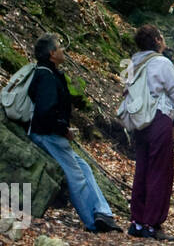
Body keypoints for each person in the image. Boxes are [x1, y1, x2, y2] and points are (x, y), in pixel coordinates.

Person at [26, 34, 123, 233]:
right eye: (60, 47)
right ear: (52, 53)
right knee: (76, 175)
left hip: (52, 133)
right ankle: (93, 222)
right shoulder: (45, 76)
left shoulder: (50, 74)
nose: (64, 51)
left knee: (84, 168)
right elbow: (45, 111)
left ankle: (103, 213)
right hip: (47, 135)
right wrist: (63, 130)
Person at [126, 25, 174, 242]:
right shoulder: (162, 62)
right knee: (160, 170)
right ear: (157, 40)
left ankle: (138, 221)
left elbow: (127, 88)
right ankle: (153, 223)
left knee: (141, 168)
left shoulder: (132, 62)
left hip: (138, 119)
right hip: (159, 118)